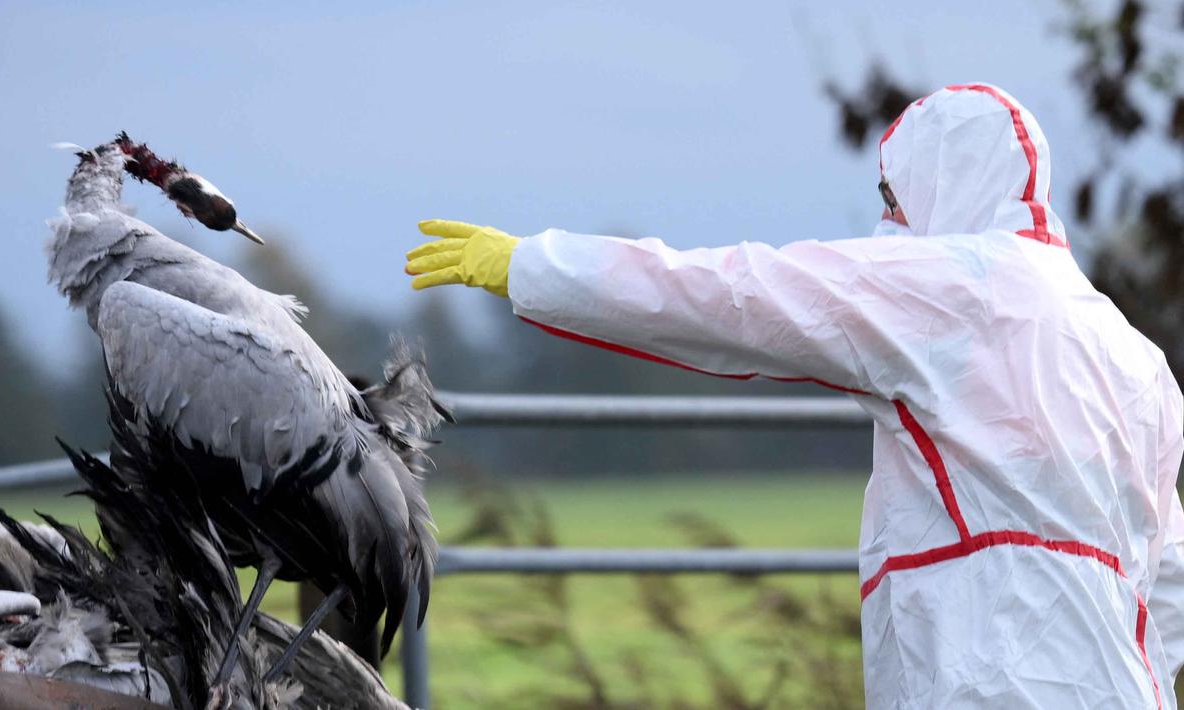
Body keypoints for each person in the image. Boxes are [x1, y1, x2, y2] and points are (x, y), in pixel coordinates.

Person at [405, 83, 1184, 708]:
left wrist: (534, 267)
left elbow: (736, 296)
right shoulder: (1135, 357)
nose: (890, 215)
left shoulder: (950, 287)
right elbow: (1169, 577)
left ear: (942, 177)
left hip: (982, 676)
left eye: (895, 190)